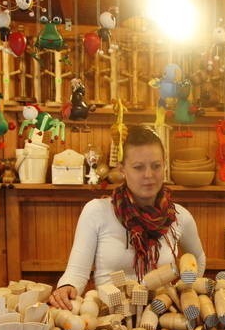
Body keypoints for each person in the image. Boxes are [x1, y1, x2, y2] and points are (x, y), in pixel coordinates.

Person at [49, 125, 206, 309]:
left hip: (161, 322)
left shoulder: (180, 217)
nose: (149, 175)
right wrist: (67, 287)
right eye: (138, 167)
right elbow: (76, 272)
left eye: (156, 166)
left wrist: (187, 292)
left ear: (164, 165)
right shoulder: (96, 212)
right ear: (122, 169)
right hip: (111, 324)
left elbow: (198, 258)